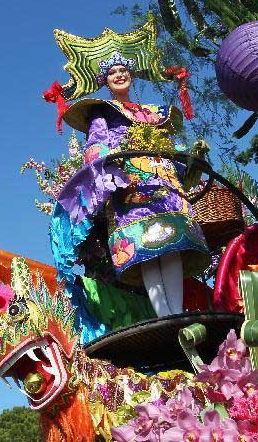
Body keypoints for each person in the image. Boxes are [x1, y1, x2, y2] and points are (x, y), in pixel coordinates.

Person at [60, 52, 210, 317]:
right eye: (112, 73)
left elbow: (171, 148)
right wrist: (109, 161)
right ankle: (165, 315)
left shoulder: (153, 113)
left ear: (131, 75)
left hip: (164, 183)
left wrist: (190, 157)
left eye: (123, 70)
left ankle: (176, 312)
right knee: (146, 248)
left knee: (170, 246)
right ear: (106, 81)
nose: (119, 75)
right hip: (129, 183)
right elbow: (95, 146)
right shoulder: (102, 112)